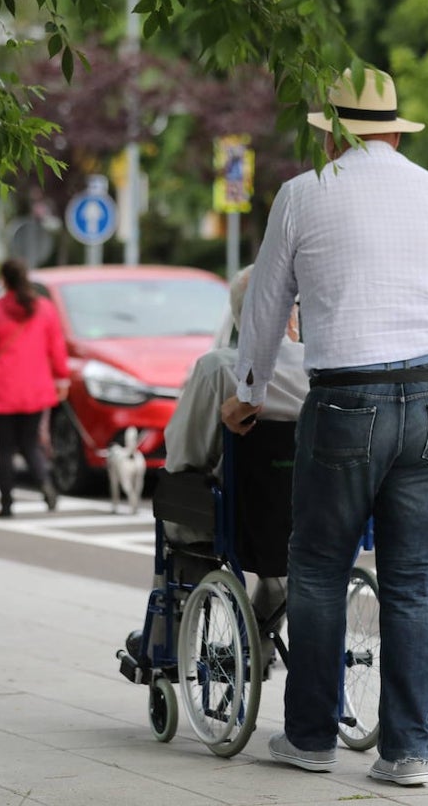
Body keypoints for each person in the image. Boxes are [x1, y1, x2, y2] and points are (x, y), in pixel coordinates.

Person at [221, 67, 428, 788]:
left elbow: (266, 305)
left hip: (348, 399)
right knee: (417, 579)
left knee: (320, 566)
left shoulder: (304, 194)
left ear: (332, 135)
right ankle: (407, 752)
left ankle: (309, 739)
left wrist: (247, 393)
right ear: (394, 129)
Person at [161, 265, 308, 628]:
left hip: (239, 517)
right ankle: (260, 636)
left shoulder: (219, 369)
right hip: (312, 512)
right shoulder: (321, 371)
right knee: (283, 559)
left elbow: (184, 455)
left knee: (180, 512)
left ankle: (169, 634)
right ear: (293, 315)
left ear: (242, 317)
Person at [0, 258, 69, 518]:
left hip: (2, 389)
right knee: (31, 443)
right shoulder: (44, 309)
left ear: (4, 281)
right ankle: (45, 483)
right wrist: (61, 379)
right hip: (35, 388)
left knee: (6, 448)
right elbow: (57, 348)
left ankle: (7, 504)